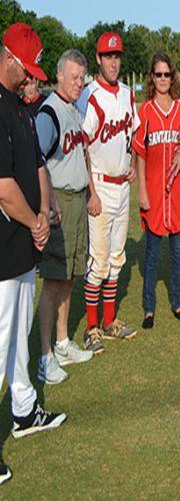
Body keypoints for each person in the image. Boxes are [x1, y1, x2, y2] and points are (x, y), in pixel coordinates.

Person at [0, 23, 67, 485]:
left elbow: (36, 168)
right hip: (3, 250)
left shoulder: (19, 108)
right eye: (27, 70)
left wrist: (42, 215)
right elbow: (3, 189)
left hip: (24, 246)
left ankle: (23, 412)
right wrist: (32, 220)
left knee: (19, 336)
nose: (31, 80)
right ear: (9, 58)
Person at [35, 49, 95, 386]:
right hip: (59, 202)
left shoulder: (73, 110)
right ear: (59, 76)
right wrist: (48, 202)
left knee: (71, 273)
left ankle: (61, 342)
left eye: (82, 78)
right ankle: (45, 356)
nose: (79, 83)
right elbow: (36, 161)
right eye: (74, 77)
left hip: (77, 200)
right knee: (54, 279)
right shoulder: (50, 112)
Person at [80, 31, 140, 346]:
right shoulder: (90, 95)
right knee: (98, 259)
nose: (113, 62)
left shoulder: (129, 94)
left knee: (117, 256)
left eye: (117, 56)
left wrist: (133, 164)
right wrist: (90, 190)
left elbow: (134, 137)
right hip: (100, 186)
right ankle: (92, 328)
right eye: (108, 56)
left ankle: (110, 319)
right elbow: (82, 146)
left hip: (122, 186)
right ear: (99, 59)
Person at [133, 53, 180, 328]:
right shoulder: (145, 110)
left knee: (178, 252)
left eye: (167, 74)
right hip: (154, 190)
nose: (163, 79)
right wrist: (142, 191)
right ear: (151, 77)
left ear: (173, 76)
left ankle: (178, 303)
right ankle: (149, 308)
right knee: (152, 253)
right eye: (158, 75)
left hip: (177, 189)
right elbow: (140, 153)